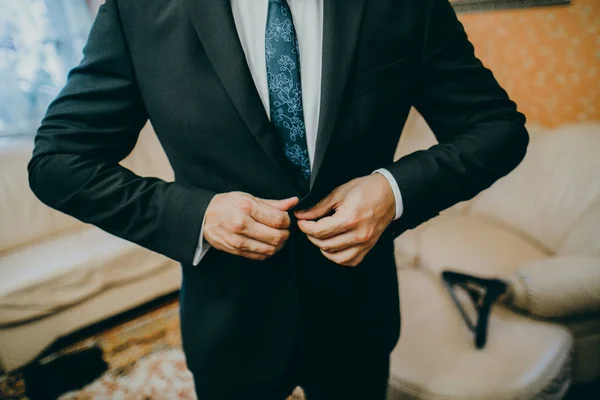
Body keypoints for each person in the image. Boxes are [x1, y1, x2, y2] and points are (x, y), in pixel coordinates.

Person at [28, 0, 529, 398]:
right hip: (228, 325)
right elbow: (58, 162)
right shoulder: (138, 8)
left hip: (356, 314)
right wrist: (197, 215)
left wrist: (392, 191)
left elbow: (497, 129)